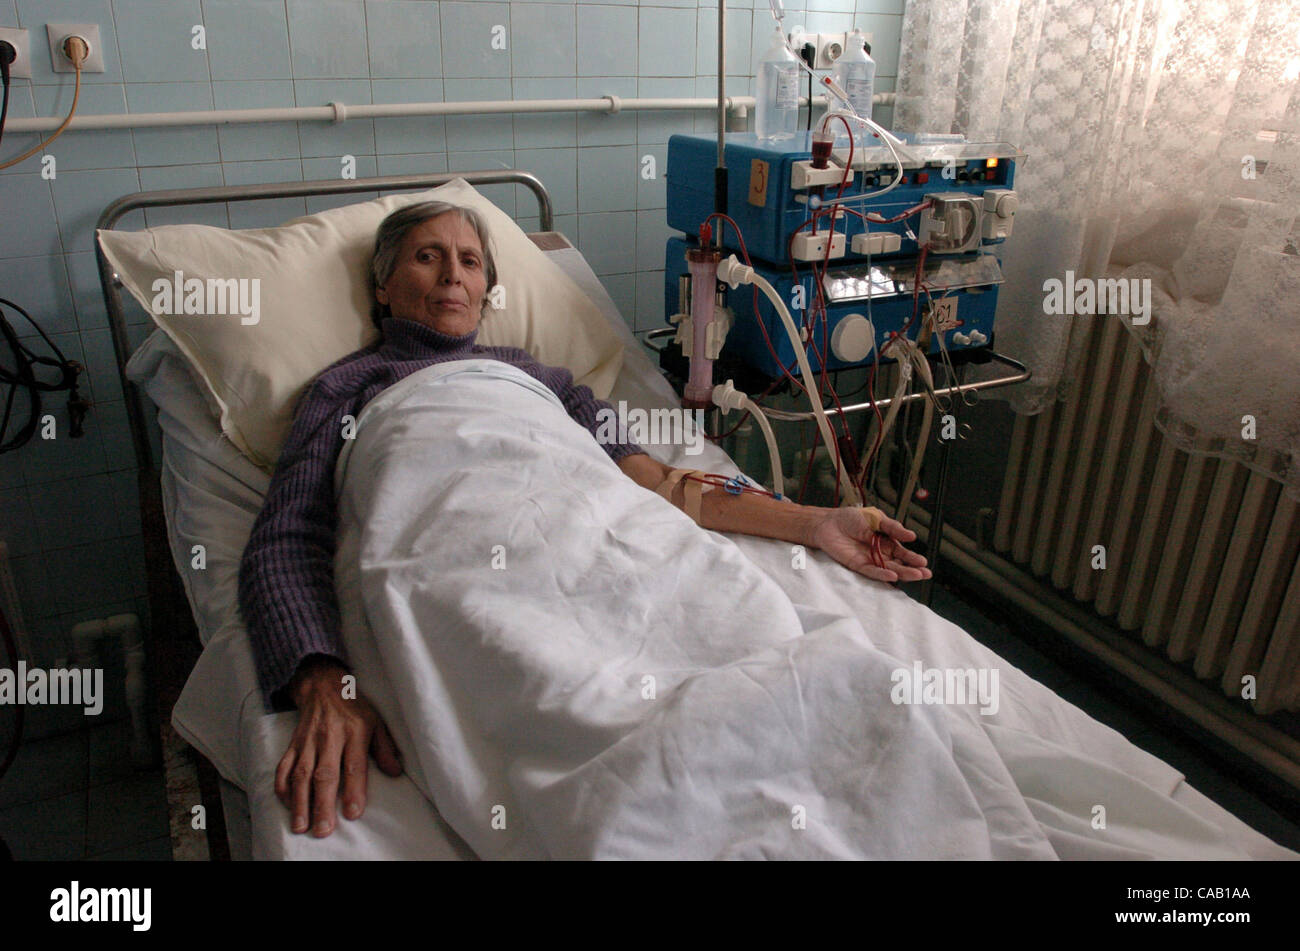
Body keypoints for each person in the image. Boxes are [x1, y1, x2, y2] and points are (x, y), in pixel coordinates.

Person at [237, 200, 931, 840]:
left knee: (780, 655)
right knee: (553, 688)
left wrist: (813, 523)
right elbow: (286, 538)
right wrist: (321, 679)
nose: (453, 272)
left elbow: (659, 483)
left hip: (606, 532)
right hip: (459, 548)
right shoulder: (343, 388)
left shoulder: (542, 379)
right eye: (427, 255)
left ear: (486, 291)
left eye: (470, 260)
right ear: (383, 285)